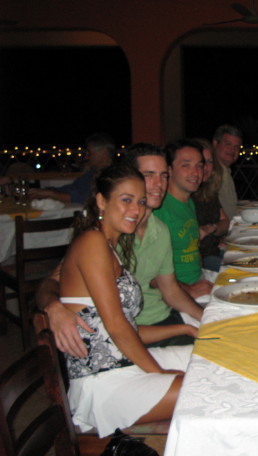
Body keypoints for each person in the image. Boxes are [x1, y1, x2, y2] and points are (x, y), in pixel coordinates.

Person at [58, 164, 194, 437]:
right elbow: (117, 326)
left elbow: (126, 328)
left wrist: (186, 328)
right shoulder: (92, 243)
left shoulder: (110, 246)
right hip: (103, 384)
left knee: (211, 359)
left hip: (125, 364)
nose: (136, 210)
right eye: (126, 200)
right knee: (203, 387)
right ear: (101, 201)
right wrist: (159, 374)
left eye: (141, 202)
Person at [37, 143, 204, 357]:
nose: (159, 184)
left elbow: (170, 290)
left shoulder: (160, 230)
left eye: (163, 175)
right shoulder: (107, 233)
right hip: (128, 338)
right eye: (149, 175)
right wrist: (53, 307)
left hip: (164, 320)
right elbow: (50, 283)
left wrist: (207, 318)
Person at [155, 140, 213, 296]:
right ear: (169, 170)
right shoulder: (159, 208)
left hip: (199, 280)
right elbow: (149, 273)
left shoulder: (189, 202)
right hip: (178, 293)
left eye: (199, 166)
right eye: (186, 166)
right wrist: (190, 290)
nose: (196, 173)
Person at [30, 132, 115, 204]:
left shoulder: (113, 176)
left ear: (103, 152)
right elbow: (70, 188)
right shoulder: (90, 174)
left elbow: (86, 198)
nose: (86, 157)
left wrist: (51, 194)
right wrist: (43, 191)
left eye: (89, 153)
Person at [191, 138, 229, 272]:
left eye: (210, 162)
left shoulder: (208, 191)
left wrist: (211, 228)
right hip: (202, 260)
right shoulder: (186, 194)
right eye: (202, 162)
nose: (206, 167)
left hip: (214, 251)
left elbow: (225, 222)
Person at [212, 124, 243, 218]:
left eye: (237, 147)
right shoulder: (210, 173)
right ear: (215, 144)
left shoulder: (225, 171)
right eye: (228, 144)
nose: (232, 150)